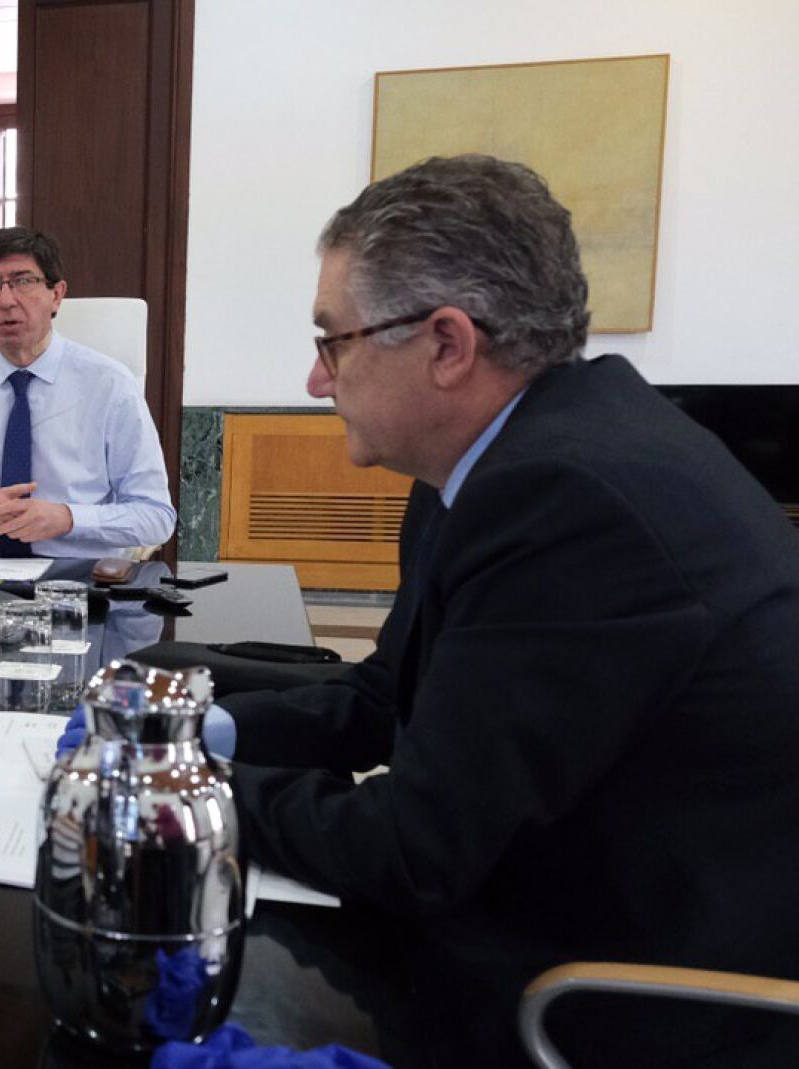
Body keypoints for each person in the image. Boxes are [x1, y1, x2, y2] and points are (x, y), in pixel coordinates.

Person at [213, 156, 799, 1066]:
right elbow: (385, 698)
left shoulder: (569, 499)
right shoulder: (501, 457)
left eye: (334, 341)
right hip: (554, 895)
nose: (317, 380)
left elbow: (415, 847)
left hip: (626, 991)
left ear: (447, 344)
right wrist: (186, 729)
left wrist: (179, 789)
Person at [0, 227, 176, 558]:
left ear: (57, 295)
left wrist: (68, 519)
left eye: (23, 281)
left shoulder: (110, 385)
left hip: (78, 578)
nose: (6, 301)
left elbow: (156, 517)